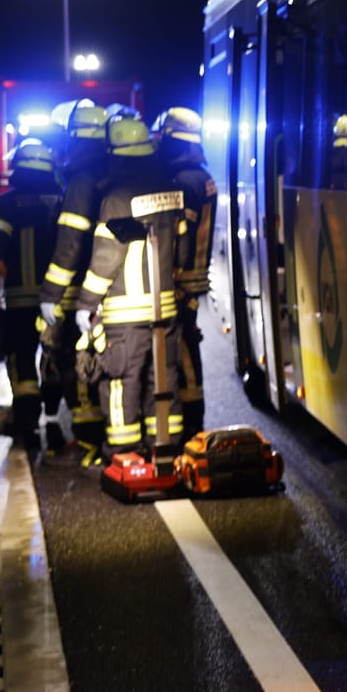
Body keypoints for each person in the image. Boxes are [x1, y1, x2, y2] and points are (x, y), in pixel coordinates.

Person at [53, 115, 185, 464]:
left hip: (125, 316)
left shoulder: (114, 199)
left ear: (113, 152)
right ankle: (166, 448)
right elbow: (181, 249)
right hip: (166, 310)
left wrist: (85, 305)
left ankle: (125, 454)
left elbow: (106, 259)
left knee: (120, 383)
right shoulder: (170, 191)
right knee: (164, 380)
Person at [0, 139, 61, 456]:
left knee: (24, 365)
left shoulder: (8, 204)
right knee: (56, 361)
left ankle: (27, 430)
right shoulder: (63, 199)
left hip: (21, 299)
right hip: (60, 300)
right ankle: (55, 423)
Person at [38, 99, 111, 461]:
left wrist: (50, 295)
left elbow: (69, 246)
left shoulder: (80, 183)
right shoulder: (112, 174)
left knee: (79, 370)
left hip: (83, 292)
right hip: (112, 290)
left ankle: (91, 445)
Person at [155, 107, 215, 442]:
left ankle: (191, 424)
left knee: (182, 351)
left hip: (179, 279)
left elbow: (180, 236)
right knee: (189, 344)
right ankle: (194, 421)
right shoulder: (201, 176)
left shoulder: (182, 183)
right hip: (194, 278)